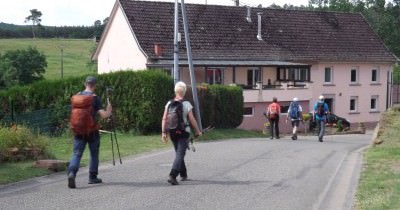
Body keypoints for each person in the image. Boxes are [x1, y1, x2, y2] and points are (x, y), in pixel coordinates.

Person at [67, 76, 112, 189]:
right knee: (94, 154)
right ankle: (92, 177)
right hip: (92, 130)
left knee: (77, 153)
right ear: (95, 85)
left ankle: (72, 173)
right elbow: (104, 115)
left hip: (78, 130)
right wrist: (109, 111)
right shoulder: (95, 98)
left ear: (85, 84)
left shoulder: (77, 96)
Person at [161, 81, 202, 185]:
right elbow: (192, 119)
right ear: (184, 92)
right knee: (180, 153)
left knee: (179, 152)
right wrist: (198, 131)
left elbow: (164, 118)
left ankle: (183, 174)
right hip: (183, 132)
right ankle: (172, 175)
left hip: (172, 131)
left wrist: (163, 132)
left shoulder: (169, 103)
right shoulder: (186, 104)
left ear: (175, 91)